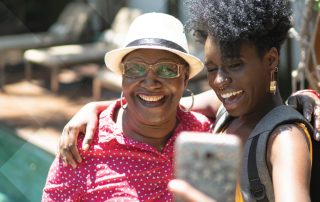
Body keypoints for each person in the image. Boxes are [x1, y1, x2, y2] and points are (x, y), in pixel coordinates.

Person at [42, 13, 212, 201]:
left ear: (185, 78)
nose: (150, 82)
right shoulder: (82, 148)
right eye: (135, 68)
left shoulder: (204, 133)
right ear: (123, 75)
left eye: (167, 69)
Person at [168, 0, 314, 201]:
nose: (219, 81)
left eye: (235, 65)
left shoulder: (284, 139)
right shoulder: (227, 112)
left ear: (271, 60)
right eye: (211, 69)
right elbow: (169, 105)